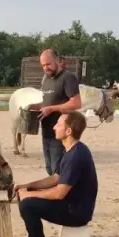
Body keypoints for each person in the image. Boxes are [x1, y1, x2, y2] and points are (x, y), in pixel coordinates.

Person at [14, 111, 98, 237]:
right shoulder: (72, 150)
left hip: (77, 212)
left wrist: (29, 196)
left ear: (68, 131)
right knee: (27, 197)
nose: (53, 127)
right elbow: (56, 178)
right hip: (72, 204)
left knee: (28, 204)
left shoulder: (75, 156)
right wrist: (28, 187)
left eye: (58, 124)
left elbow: (59, 193)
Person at [35, 48, 81, 176]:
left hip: (61, 133)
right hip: (46, 132)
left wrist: (51, 109)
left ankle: (62, 195)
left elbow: (76, 103)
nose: (46, 68)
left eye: (48, 64)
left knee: (58, 171)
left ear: (56, 60)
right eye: (43, 65)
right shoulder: (46, 80)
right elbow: (46, 103)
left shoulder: (68, 78)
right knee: (49, 169)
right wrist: (33, 106)